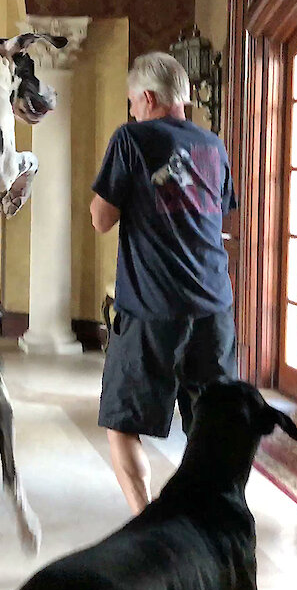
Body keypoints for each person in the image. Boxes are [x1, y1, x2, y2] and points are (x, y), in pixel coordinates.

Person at [90, 52, 239, 515]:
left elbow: (101, 219)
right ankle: (206, 518)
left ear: (148, 98)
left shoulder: (131, 138)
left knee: (123, 421)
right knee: (211, 427)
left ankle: (146, 520)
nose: (132, 111)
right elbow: (219, 212)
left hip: (152, 309)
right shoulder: (213, 145)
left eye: (133, 103)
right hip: (214, 309)